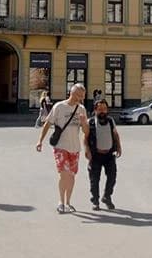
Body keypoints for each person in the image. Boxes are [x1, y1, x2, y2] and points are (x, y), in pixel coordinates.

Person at [36, 83, 89, 214]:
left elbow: (86, 132)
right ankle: (61, 202)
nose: (80, 98)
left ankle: (68, 202)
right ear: (71, 93)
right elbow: (48, 124)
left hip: (75, 148)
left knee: (71, 176)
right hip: (61, 146)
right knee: (64, 174)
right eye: (78, 95)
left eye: (82, 96)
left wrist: (83, 123)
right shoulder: (59, 107)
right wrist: (40, 141)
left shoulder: (81, 109)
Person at [84, 99, 122, 210]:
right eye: (100, 109)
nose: (103, 112)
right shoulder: (90, 122)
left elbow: (115, 134)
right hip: (96, 155)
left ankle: (107, 197)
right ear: (95, 110)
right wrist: (87, 150)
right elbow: (85, 138)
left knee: (112, 177)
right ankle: (95, 200)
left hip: (109, 155)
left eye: (105, 109)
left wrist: (119, 146)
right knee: (94, 179)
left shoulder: (110, 121)